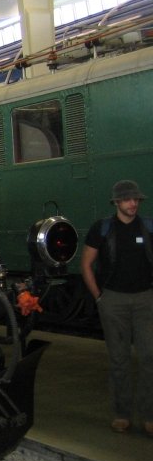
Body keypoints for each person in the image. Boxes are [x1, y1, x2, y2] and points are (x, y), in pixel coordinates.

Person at [81, 180, 153, 436]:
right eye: (127, 200)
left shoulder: (148, 227)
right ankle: (122, 414)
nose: (133, 203)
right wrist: (99, 297)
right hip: (114, 301)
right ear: (116, 203)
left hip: (145, 299)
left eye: (136, 200)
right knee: (119, 359)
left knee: (149, 357)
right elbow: (86, 264)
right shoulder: (102, 229)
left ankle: (149, 416)